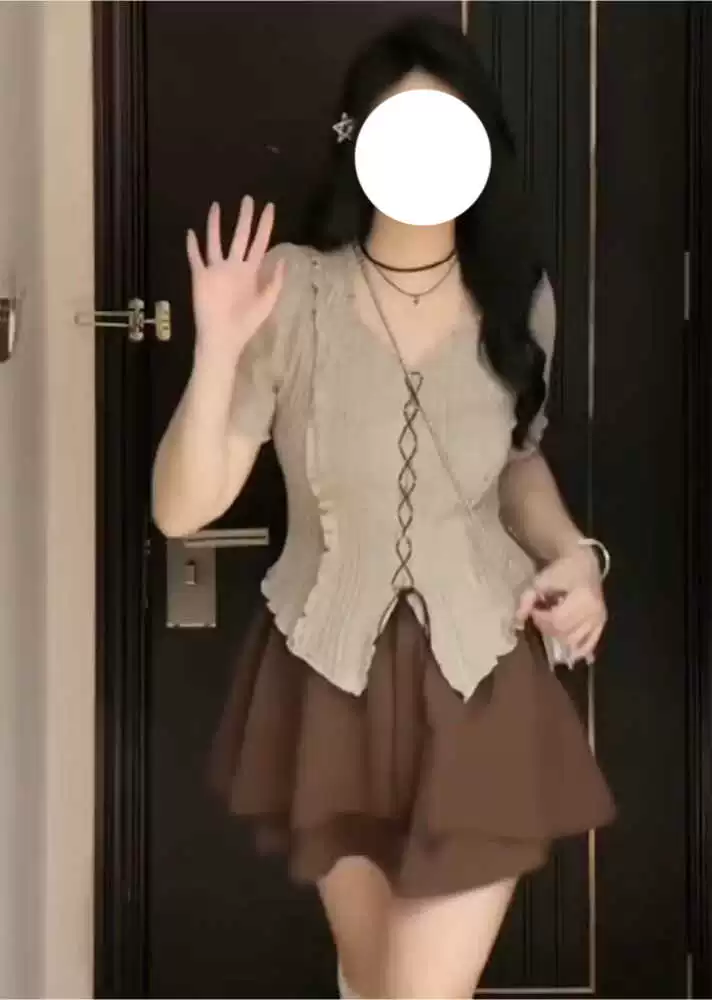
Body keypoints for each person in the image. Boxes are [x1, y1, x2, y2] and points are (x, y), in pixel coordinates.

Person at [151, 15, 615, 1000]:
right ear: (358, 139)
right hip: (328, 679)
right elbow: (182, 510)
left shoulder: (518, 298)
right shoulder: (293, 290)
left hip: (483, 675)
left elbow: (515, 464)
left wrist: (576, 555)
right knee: (372, 982)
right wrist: (218, 352)